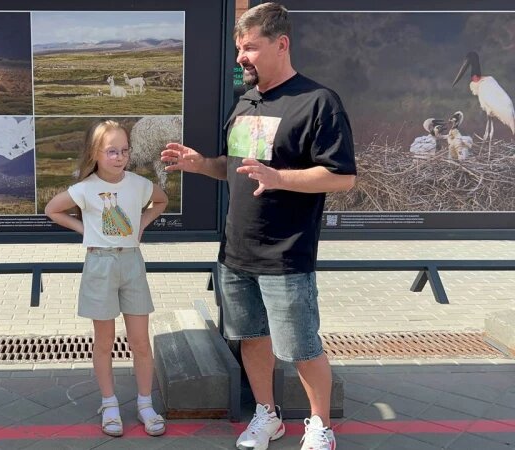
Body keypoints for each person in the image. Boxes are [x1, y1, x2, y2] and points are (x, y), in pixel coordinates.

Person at [161, 3, 356, 450]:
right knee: (251, 339)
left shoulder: (318, 102)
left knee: (302, 347)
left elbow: (342, 176)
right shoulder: (246, 102)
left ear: (281, 44)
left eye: (250, 48)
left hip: (286, 254)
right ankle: (267, 416)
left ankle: (320, 426)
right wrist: (201, 164)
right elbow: (234, 167)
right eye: (239, 49)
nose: (241, 58)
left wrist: (281, 178)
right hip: (236, 253)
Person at [45, 119, 169, 437]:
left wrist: (142, 223)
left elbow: (161, 201)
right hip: (99, 265)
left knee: (140, 341)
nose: (119, 157)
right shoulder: (84, 189)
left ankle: (145, 404)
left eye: (124, 150)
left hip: (132, 264)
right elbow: (53, 209)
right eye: (112, 151)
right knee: (104, 342)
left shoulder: (138, 184)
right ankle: (109, 403)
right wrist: (85, 230)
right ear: (95, 153)